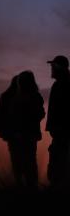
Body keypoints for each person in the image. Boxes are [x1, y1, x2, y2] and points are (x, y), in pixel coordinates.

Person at [0, 71, 45, 188]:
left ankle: (25, 184)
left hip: (20, 134)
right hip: (24, 134)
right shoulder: (34, 96)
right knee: (27, 160)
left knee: (19, 160)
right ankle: (29, 185)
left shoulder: (14, 98)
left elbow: (5, 116)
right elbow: (40, 114)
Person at [46, 55, 70, 188]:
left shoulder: (62, 85)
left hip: (62, 132)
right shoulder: (60, 84)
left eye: (53, 66)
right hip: (61, 132)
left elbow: (60, 110)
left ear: (58, 67)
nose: (51, 69)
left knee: (59, 162)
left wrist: (57, 128)